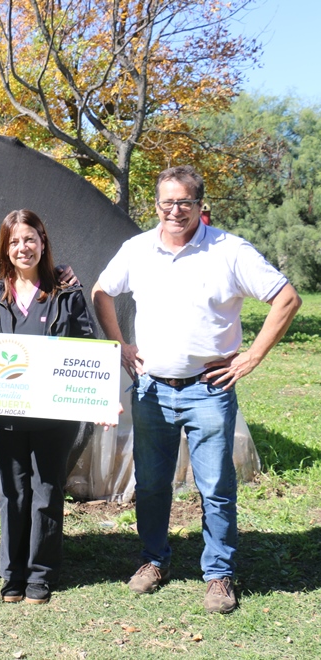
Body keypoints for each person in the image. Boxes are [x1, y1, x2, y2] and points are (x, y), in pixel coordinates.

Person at [92, 165, 301, 614]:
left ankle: (219, 575)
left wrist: (251, 357)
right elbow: (102, 292)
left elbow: (287, 298)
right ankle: (153, 560)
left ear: (200, 205)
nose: (175, 211)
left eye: (184, 202)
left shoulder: (229, 251)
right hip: (151, 389)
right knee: (150, 485)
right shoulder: (137, 249)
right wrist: (120, 345)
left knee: (216, 487)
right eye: (167, 202)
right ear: (156, 205)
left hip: (208, 390)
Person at [0, 209, 95, 605]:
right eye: (14, 241)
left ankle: (40, 575)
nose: (22, 247)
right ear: (5, 248)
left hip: (54, 415)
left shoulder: (67, 293)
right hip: (8, 412)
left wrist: (97, 396)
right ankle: (11, 575)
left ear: (43, 241)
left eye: (29, 238)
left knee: (47, 490)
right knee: (12, 492)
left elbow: (88, 348)